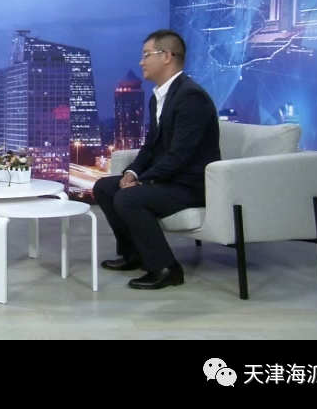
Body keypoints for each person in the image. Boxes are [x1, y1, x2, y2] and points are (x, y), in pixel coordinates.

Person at [93, 30, 221, 290]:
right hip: (170, 180)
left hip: (190, 185)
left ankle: (166, 268)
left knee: (129, 198)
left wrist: (144, 181)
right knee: (105, 187)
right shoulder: (158, 98)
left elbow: (181, 155)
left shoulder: (191, 97)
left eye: (146, 55)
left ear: (166, 56)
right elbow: (151, 145)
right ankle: (134, 254)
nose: (141, 62)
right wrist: (132, 173)